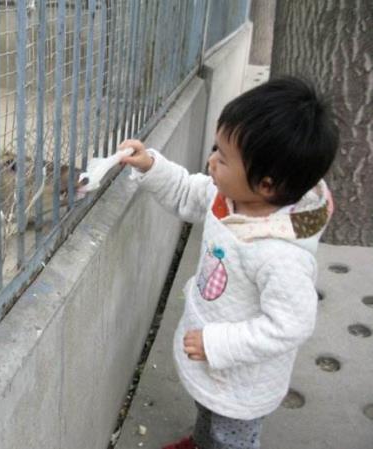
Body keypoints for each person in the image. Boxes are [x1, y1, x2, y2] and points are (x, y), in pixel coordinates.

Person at [119, 76, 338, 449]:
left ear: (266, 184)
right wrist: (150, 165)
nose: (211, 161)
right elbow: (188, 192)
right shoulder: (231, 196)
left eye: (222, 157)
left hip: (241, 380)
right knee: (209, 413)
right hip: (210, 358)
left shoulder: (280, 254)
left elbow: (290, 324)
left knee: (230, 434)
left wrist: (218, 344)